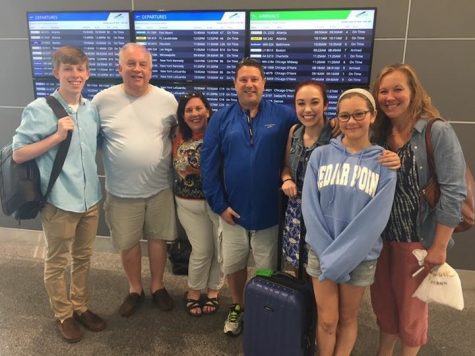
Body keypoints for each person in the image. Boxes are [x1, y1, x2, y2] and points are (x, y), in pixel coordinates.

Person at [370, 64, 466, 356]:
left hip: (416, 242)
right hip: (382, 239)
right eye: (383, 91)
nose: (390, 97)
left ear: (414, 92)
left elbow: (454, 191)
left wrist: (439, 247)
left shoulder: (436, 131)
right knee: (384, 306)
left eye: (398, 89)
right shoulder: (379, 134)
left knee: (411, 314)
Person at [12, 47, 105, 342]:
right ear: (57, 73)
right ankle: (63, 314)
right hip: (60, 201)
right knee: (56, 262)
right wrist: (55, 136)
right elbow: (18, 154)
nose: (75, 75)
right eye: (68, 69)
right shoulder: (39, 109)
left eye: (80, 70)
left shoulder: (91, 110)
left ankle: (80, 306)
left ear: (87, 73)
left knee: (83, 257)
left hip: (90, 199)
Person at [201, 57, 297, 336]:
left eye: (254, 79)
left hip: (269, 213)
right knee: (234, 265)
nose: (249, 84)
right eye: (243, 79)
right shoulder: (221, 117)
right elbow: (209, 165)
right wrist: (219, 205)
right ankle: (239, 305)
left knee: (266, 269)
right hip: (232, 213)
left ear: (263, 83)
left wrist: (335, 125)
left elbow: (311, 129)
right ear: (235, 84)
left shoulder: (283, 116)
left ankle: (263, 309)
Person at [302, 88, 397, 356]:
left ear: (372, 116)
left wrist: (342, 257)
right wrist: (327, 254)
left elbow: (375, 219)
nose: (351, 121)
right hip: (321, 252)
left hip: (360, 257)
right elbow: (310, 207)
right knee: (327, 320)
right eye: (344, 115)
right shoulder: (320, 156)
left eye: (358, 114)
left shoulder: (384, 163)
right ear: (337, 119)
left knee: (347, 319)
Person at [92, 43, 178, 317]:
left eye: (142, 64)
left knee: (158, 239)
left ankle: (157, 286)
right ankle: (134, 289)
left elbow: (178, 137)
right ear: (120, 68)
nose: (137, 69)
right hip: (120, 192)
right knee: (127, 243)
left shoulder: (167, 100)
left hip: (159, 189)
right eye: (131, 64)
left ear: (150, 70)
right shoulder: (101, 101)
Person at [281, 81, 401, 274]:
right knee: (299, 271)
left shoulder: (336, 130)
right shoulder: (294, 132)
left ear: (326, 106)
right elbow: (286, 166)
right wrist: (286, 179)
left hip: (330, 217)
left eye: (314, 102)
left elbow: (361, 147)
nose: (307, 109)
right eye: (301, 103)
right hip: (299, 212)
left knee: (324, 272)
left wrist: (394, 158)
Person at [172, 91, 223, 316]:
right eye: (189, 110)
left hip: (217, 202)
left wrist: (200, 169)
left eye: (198, 108)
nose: (194, 113)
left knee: (219, 250)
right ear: (182, 116)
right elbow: (181, 167)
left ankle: (213, 290)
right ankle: (194, 290)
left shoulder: (220, 133)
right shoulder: (176, 135)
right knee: (202, 249)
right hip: (188, 204)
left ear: (208, 111)